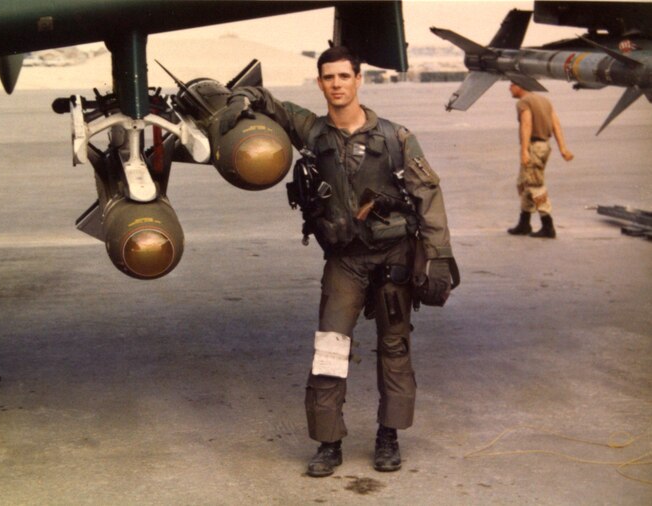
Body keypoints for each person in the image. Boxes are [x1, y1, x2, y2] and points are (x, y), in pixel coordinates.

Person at [218, 46, 457, 477]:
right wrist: (243, 98)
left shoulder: (396, 138)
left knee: (395, 347)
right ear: (320, 83)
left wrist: (439, 258)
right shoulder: (313, 133)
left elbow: (429, 197)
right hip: (345, 261)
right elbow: (271, 102)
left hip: (393, 258)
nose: (337, 84)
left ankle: (389, 436)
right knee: (329, 347)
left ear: (359, 79)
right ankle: (329, 442)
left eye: (344, 76)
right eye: (329, 78)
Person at [507, 82, 574, 238]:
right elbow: (556, 124)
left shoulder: (524, 102)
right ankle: (524, 223)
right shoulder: (544, 100)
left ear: (520, 86)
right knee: (524, 183)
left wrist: (524, 150)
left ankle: (547, 225)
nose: (509, 88)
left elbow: (526, 125)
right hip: (544, 146)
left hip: (534, 147)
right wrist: (563, 148)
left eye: (512, 85)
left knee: (535, 184)